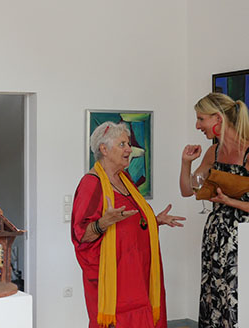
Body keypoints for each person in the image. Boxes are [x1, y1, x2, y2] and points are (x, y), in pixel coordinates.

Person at [72, 121, 185, 328]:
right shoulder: (91, 183)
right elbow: (81, 235)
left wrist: (154, 221)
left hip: (139, 272)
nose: (129, 149)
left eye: (128, 144)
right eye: (122, 144)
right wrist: (103, 223)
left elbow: (130, 221)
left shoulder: (124, 179)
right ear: (104, 149)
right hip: (117, 279)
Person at [179, 92, 249, 328]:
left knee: (235, 299)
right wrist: (186, 163)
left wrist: (230, 202)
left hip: (244, 238)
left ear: (218, 118)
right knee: (213, 296)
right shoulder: (213, 152)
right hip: (216, 237)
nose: (197, 126)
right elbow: (188, 190)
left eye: (201, 119)